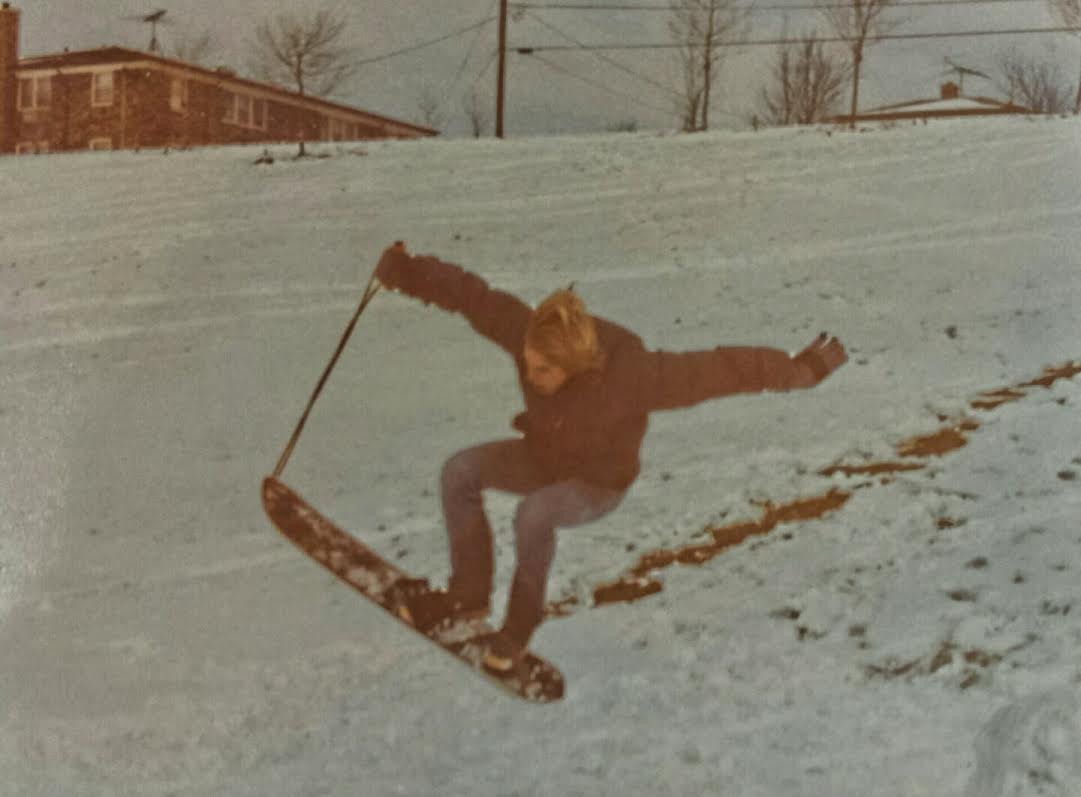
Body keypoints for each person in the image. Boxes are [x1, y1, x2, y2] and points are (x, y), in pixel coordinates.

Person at [374, 241, 847, 672]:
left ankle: (518, 627)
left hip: (597, 484)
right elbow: (472, 295)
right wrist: (406, 271)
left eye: (544, 371)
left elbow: (719, 370)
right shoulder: (528, 335)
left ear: (575, 367)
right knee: (460, 471)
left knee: (533, 515)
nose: (531, 375)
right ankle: (468, 597)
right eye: (528, 364)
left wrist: (797, 371)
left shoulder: (632, 377)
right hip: (543, 457)